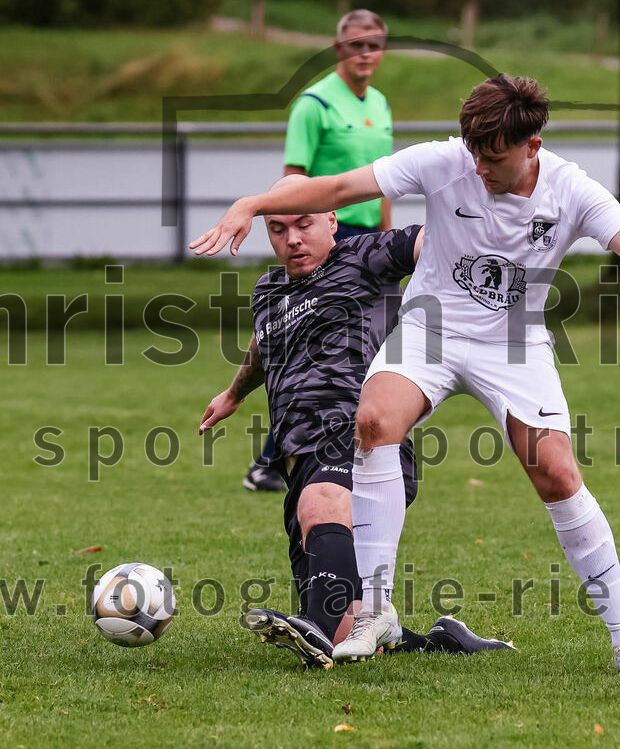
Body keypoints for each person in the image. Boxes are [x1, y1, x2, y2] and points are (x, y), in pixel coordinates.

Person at [191, 74, 620, 679]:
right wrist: (252, 203)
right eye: (474, 154)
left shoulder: (571, 190)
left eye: (493, 158)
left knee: (556, 473)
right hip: (429, 329)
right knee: (373, 421)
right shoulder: (445, 161)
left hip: (513, 345)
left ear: (532, 146)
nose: (479, 168)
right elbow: (338, 186)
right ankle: (375, 609)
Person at [200, 189, 514, 669]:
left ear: (331, 219)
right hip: (295, 449)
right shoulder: (268, 290)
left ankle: (315, 627)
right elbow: (264, 347)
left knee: (322, 506)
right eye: (278, 229)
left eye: (304, 224)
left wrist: (490, 217)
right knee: (347, 627)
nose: (292, 239)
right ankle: (438, 640)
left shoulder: (366, 256)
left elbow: (437, 240)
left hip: (361, 431)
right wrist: (234, 393)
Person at [243, 8, 396, 493]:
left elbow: (385, 179)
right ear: (338, 49)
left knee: (367, 354)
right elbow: (293, 183)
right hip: (329, 236)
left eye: (374, 44)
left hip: (368, 243)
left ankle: (356, 453)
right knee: (315, 355)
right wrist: (302, 236)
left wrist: (389, 239)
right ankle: (270, 461)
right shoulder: (313, 104)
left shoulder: (380, 103)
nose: (365, 53)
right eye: (356, 45)